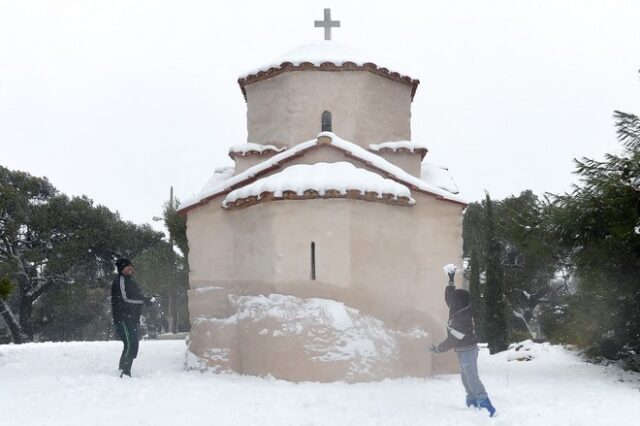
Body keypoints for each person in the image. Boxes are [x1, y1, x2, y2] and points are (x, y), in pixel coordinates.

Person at [430, 267, 497, 417]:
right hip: (462, 350)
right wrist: (451, 280)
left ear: (459, 302)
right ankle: (472, 400)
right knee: (465, 377)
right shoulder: (457, 309)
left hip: (468, 349)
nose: (451, 302)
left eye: (454, 300)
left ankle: (485, 403)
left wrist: (439, 349)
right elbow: (448, 297)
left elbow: (453, 339)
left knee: (471, 377)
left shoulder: (463, 317)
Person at [111, 258, 155, 378]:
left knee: (129, 343)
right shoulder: (120, 281)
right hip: (123, 317)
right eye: (127, 266)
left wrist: (147, 299)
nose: (130, 268)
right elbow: (124, 300)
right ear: (121, 269)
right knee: (132, 343)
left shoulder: (131, 281)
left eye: (131, 266)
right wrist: (143, 301)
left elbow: (138, 295)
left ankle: (122, 368)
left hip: (131, 317)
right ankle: (125, 371)